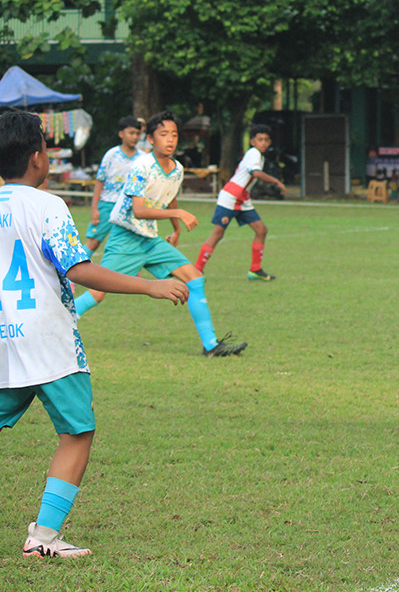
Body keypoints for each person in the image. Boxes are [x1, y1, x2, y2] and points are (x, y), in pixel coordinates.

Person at [0, 110, 188, 559]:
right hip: (50, 344)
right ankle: (43, 538)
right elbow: (79, 268)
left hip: (4, 339)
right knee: (77, 431)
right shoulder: (47, 206)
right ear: (36, 159)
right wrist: (149, 284)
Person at [72, 110, 247, 357]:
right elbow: (139, 210)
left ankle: (211, 346)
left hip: (150, 238)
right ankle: (58, 325)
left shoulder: (177, 169)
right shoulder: (141, 165)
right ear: (151, 139)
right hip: (126, 236)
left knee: (195, 278)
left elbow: (170, 196)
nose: (170, 139)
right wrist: (178, 216)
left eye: (174, 134)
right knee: (98, 292)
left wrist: (176, 230)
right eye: (163, 134)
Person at [194, 124, 286, 281]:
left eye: (266, 140)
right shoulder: (253, 153)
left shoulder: (259, 155)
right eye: (260, 139)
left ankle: (255, 270)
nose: (263, 143)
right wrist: (276, 181)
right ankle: (196, 270)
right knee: (218, 233)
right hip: (230, 197)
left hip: (242, 199)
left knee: (261, 230)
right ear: (252, 142)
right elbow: (255, 173)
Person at [84, 117, 143, 256]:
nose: (135, 137)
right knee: (93, 241)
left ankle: (132, 276)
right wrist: (94, 209)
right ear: (121, 134)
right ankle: (70, 273)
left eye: (137, 133)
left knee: (131, 244)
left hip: (129, 208)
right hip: (107, 205)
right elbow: (99, 181)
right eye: (131, 133)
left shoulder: (143, 158)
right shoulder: (111, 155)